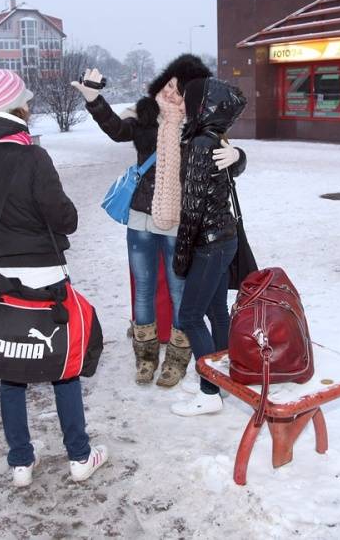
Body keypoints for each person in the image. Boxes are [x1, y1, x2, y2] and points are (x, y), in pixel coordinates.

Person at [0, 69, 108, 487]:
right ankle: (79, 456)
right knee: (64, 365)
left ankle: (20, 462)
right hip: (45, 273)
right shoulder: (31, 155)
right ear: (17, 107)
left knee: (11, 367)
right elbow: (65, 219)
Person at [74, 55, 235, 388]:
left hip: (178, 223)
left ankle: (177, 359)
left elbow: (226, 163)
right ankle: (144, 358)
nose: (173, 94)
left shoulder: (201, 126)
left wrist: (238, 156)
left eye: (182, 90)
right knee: (144, 290)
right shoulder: (145, 115)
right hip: (140, 220)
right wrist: (94, 100)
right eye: (170, 84)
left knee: (179, 293)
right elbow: (117, 130)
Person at [170, 77, 247, 417]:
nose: (185, 104)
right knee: (216, 312)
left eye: (190, 99)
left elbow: (192, 209)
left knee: (189, 316)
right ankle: (223, 378)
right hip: (223, 240)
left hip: (209, 244)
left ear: (203, 105)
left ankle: (209, 391)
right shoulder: (211, 137)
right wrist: (240, 156)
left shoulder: (202, 142)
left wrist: (182, 255)